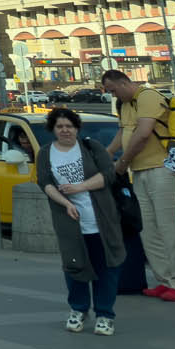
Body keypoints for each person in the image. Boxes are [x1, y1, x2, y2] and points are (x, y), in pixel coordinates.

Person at [101, 69, 175, 302]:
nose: (113, 96)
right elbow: (123, 133)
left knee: (168, 227)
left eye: (113, 90)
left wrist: (122, 162)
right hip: (140, 171)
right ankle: (164, 280)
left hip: (162, 168)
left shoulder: (147, 97)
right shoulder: (125, 105)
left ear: (124, 82)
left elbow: (142, 134)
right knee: (148, 229)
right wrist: (105, 155)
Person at [36, 105, 125, 335]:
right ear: (53, 129)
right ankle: (78, 309)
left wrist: (80, 187)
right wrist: (65, 202)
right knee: (74, 266)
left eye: (69, 126)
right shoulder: (46, 153)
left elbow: (108, 175)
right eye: (60, 126)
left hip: (100, 220)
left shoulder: (91, 147)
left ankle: (105, 314)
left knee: (106, 267)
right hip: (70, 221)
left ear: (76, 128)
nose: (65, 130)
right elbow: (44, 182)